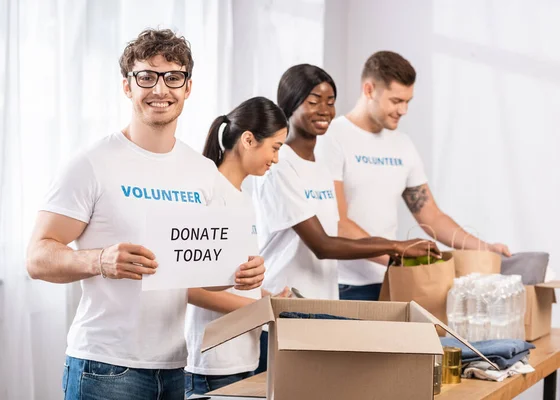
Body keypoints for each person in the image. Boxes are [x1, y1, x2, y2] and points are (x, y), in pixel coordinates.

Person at [25, 29, 265, 400]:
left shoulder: (202, 172)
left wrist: (240, 273)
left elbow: (200, 270)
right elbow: (37, 258)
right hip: (103, 368)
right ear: (127, 86)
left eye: (173, 77)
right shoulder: (92, 163)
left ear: (187, 88)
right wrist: (100, 259)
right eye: (146, 77)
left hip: (173, 368)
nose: (160, 89)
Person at [251, 64, 440, 374]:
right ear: (289, 104)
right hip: (282, 316)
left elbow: (335, 230)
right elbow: (323, 245)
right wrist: (395, 248)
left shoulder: (321, 166)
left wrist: (397, 251)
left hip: (321, 312)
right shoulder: (280, 164)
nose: (324, 110)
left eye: (330, 100)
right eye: (313, 101)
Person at [315, 51, 511, 302]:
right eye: (396, 100)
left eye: (408, 101)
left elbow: (431, 214)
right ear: (369, 89)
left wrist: (483, 248)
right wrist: (397, 255)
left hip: (393, 280)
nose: (403, 110)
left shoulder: (403, 144)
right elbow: (337, 222)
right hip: (344, 284)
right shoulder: (332, 138)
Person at [184, 96, 290, 397]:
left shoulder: (243, 197)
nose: (276, 158)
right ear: (248, 139)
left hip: (244, 356)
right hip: (212, 364)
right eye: (275, 147)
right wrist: (261, 308)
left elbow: (231, 278)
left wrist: (268, 298)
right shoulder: (205, 193)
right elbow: (188, 287)